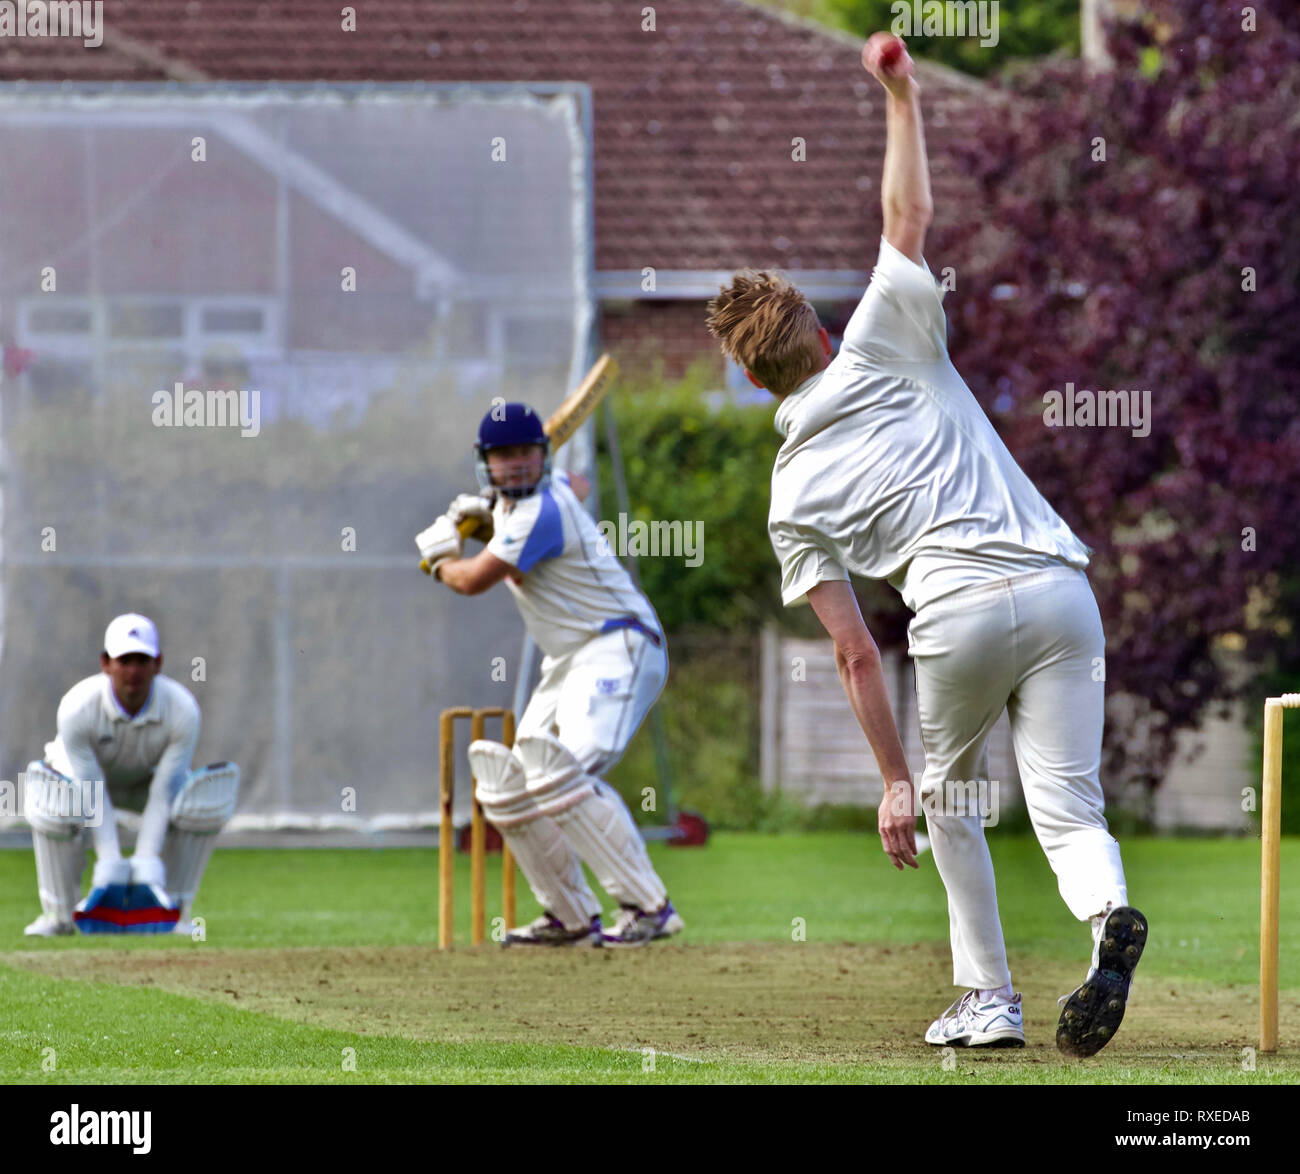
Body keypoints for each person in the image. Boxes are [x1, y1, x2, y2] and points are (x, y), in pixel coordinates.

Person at [704, 33, 1145, 1057]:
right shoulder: (883, 336)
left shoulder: (788, 490)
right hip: (1060, 585)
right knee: (1066, 803)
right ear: (816, 330)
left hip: (955, 609)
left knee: (952, 802)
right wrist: (897, 93)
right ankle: (1103, 922)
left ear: (758, 379)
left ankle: (988, 999)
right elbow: (906, 216)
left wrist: (895, 780)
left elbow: (856, 651)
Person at [415, 402, 682, 947]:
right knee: (508, 784)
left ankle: (649, 908)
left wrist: (444, 556)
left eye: (526, 454)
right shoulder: (542, 493)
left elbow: (470, 581)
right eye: (504, 456)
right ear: (484, 463)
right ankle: (571, 917)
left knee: (561, 773)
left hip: (620, 643)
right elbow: (578, 484)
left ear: (542, 456)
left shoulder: (540, 512)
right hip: (569, 659)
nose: (516, 466)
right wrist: (492, 512)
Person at [23, 613, 239, 936]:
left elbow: (164, 791)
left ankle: (175, 913)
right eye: (124, 660)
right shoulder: (76, 708)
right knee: (54, 804)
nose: (133, 671)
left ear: (158, 663)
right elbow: (92, 790)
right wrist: (110, 863)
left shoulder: (183, 710)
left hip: (144, 784)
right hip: (86, 785)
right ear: (105, 663)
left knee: (199, 802)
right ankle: (59, 915)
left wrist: (145, 864)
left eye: (142, 660)